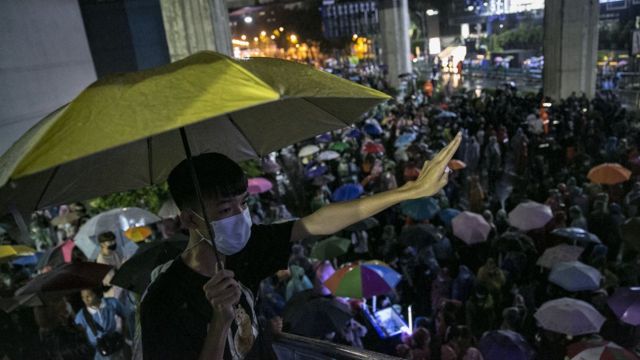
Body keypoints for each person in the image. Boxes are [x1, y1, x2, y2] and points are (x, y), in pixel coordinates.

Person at [141, 135, 461, 360]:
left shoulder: (244, 251)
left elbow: (316, 222)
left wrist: (409, 191)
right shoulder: (165, 300)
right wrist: (220, 321)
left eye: (243, 204)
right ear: (189, 219)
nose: (240, 217)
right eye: (225, 210)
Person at [75, 287, 128, 360]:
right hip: (97, 351)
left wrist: (123, 333)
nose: (85, 300)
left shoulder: (111, 303)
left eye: (88, 296)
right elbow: (78, 335)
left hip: (114, 344)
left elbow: (124, 315)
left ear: (96, 294)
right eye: (83, 297)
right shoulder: (81, 316)